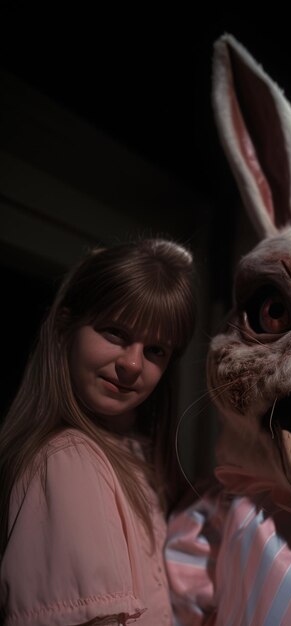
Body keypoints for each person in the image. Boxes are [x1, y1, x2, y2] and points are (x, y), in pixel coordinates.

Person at [0, 238, 197, 625]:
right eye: (115, 333)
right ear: (64, 328)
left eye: (156, 350)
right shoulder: (68, 459)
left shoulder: (137, 457)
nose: (132, 364)